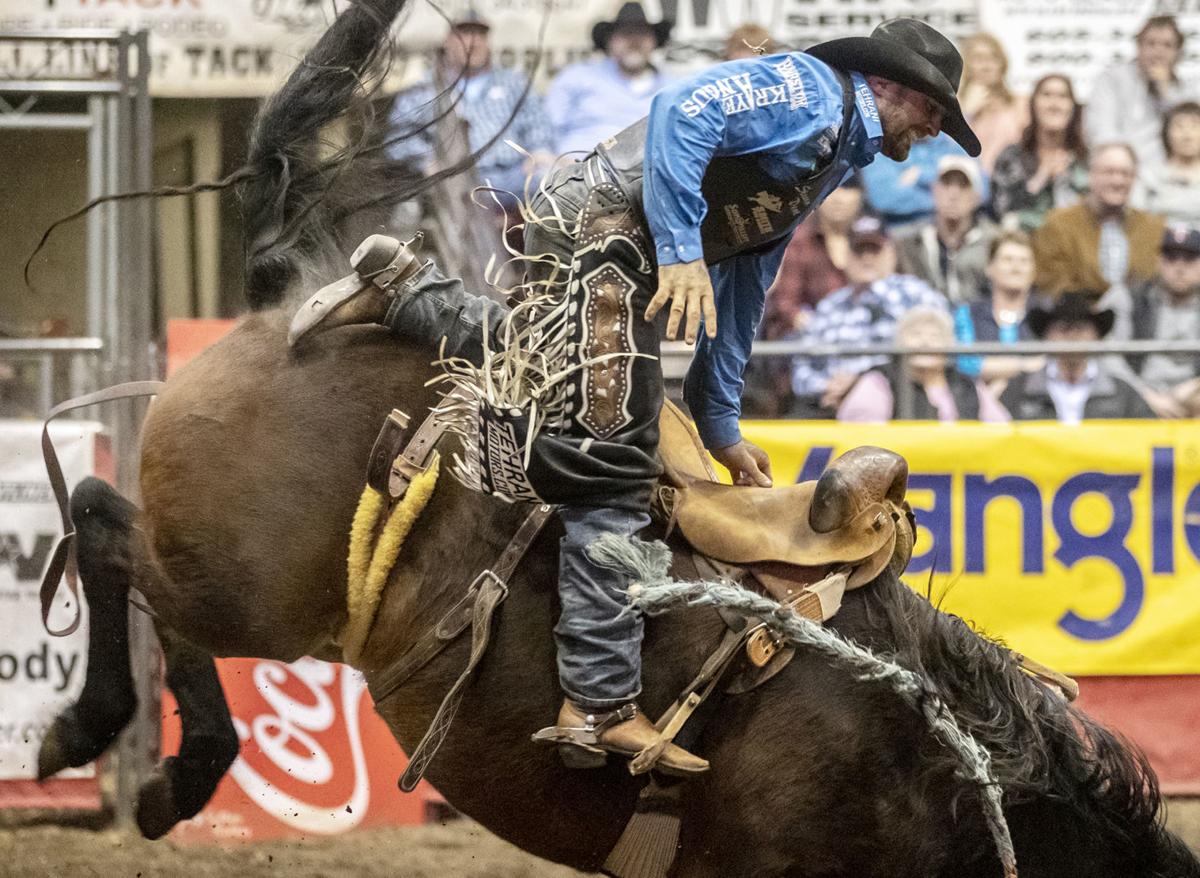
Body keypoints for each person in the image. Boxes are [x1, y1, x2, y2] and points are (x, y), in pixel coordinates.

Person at [291, 19, 979, 774]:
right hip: (608, 234)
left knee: (574, 381)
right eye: (933, 111)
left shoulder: (829, 146)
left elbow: (748, 275)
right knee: (614, 461)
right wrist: (683, 254)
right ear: (891, 88)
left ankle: (403, 292)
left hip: (619, 241)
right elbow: (684, 109)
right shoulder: (812, 94)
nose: (934, 130)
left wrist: (718, 421)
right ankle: (595, 703)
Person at [790, 216, 951, 418]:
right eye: (859, 251)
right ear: (846, 257)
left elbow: (945, 341)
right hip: (830, 405)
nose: (867, 258)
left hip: (901, 400)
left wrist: (860, 381)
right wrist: (826, 386)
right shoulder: (830, 306)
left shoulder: (916, 293)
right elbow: (801, 367)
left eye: (875, 250)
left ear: (891, 255)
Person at [387, 11, 555, 196]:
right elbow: (399, 136)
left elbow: (538, 124)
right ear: (447, 41)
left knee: (552, 181)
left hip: (514, 174)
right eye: (465, 34)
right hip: (456, 178)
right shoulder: (426, 89)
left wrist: (539, 151)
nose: (473, 42)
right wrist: (427, 161)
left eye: (480, 35)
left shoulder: (514, 82)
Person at [1033, 143, 1165, 300]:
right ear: (1091, 175)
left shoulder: (1153, 229)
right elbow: (1051, 283)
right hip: (1077, 318)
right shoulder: (1058, 225)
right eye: (1109, 172)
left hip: (1140, 318)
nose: (1118, 181)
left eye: (1126, 174)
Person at [999, 292, 1155, 421]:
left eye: (1081, 328)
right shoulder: (1019, 390)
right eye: (1063, 328)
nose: (1072, 336)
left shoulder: (1123, 393)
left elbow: (1148, 438)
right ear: (1047, 335)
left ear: (1096, 335)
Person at [838, 306, 1009, 422]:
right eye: (916, 334)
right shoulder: (880, 381)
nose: (925, 342)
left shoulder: (965, 384)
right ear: (900, 343)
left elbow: (1001, 432)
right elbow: (861, 436)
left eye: (935, 337)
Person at [544, 2, 673, 156]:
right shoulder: (577, 77)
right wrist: (550, 159)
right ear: (609, 41)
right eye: (625, 34)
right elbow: (545, 129)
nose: (633, 42)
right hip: (578, 170)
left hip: (645, 173)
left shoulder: (673, 90)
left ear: (654, 41)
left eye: (641, 34)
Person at [1086, 15, 1198, 166]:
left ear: (1178, 52)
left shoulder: (1186, 92)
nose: (1158, 52)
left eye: (1167, 45)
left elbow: (1190, 137)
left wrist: (1166, 91)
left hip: (1169, 175)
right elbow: (1101, 130)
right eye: (1151, 44)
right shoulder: (1112, 80)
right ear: (1138, 47)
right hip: (1121, 170)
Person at [762, 176, 863, 340]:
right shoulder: (799, 241)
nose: (839, 198)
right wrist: (811, 325)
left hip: (864, 335)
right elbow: (785, 303)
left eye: (847, 189)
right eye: (833, 189)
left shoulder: (872, 239)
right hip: (810, 340)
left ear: (860, 196)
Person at [989, 74, 1089, 233]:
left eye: (1063, 96)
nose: (1054, 104)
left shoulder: (1086, 159)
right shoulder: (1011, 157)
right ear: (1033, 105)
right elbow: (1001, 211)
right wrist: (1041, 177)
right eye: (1046, 95)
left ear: (1073, 107)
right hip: (1024, 246)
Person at [894, 154, 995, 304]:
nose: (953, 194)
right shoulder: (911, 242)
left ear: (976, 197)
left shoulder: (992, 243)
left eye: (963, 185)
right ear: (934, 191)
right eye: (946, 184)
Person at [1128, 226, 1200, 417]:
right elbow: (1110, 356)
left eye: (1189, 259)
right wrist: (1144, 394)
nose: (1180, 267)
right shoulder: (1133, 297)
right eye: (1171, 258)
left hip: (1193, 396)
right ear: (1159, 262)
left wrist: (1196, 385)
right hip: (1140, 395)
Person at [964, 230, 1043, 390]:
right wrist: (1023, 365)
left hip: (1035, 405)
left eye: (1024, 261)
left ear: (1034, 271)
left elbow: (1050, 363)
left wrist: (994, 368)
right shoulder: (968, 313)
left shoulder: (1046, 315)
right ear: (989, 267)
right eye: (1007, 260)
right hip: (974, 403)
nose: (1016, 267)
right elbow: (966, 364)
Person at [859, 131, 969, 227]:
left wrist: (921, 175)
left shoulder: (950, 142)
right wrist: (944, 200)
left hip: (948, 229)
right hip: (898, 230)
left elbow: (980, 189)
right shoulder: (881, 145)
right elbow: (884, 198)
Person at [957, 33, 1026, 174]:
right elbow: (947, 153)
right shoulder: (955, 107)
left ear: (1003, 64)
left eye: (993, 58)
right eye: (978, 59)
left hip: (1010, 185)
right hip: (969, 186)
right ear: (967, 65)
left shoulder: (1020, 105)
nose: (986, 66)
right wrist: (967, 112)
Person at [1141, 101, 1200, 227]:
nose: (1187, 135)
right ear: (1166, 133)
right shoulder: (1149, 175)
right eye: (1179, 126)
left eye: (1195, 126)